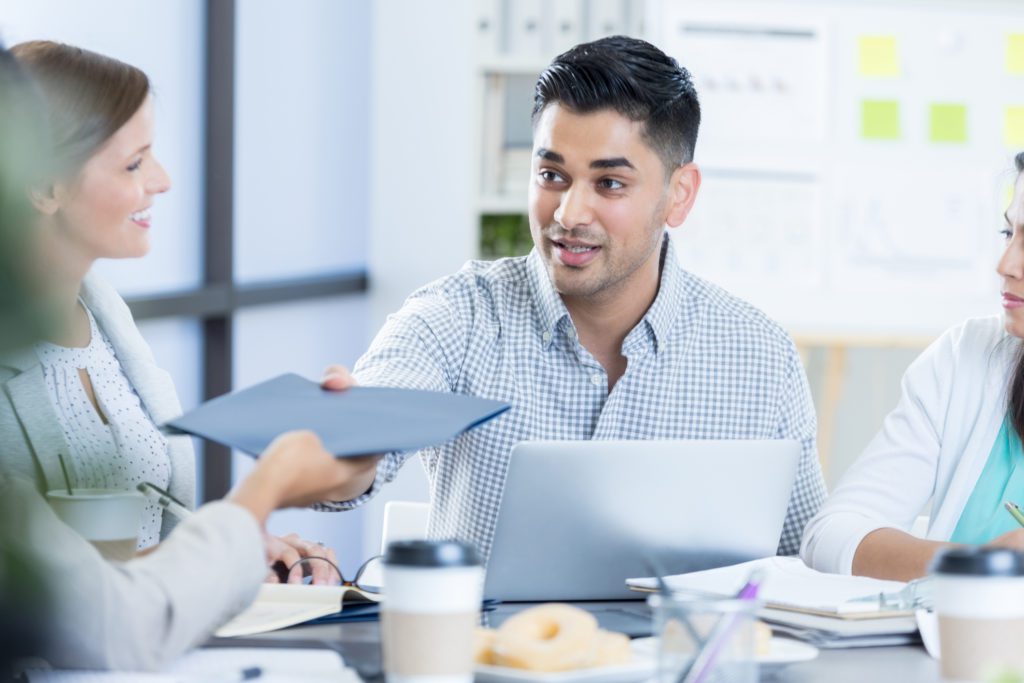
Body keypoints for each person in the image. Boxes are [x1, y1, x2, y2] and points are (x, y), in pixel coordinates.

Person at [317, 36, 827, 563]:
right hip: (489, 647)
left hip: (685, 646)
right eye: (552, 176)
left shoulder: (760, 356)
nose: (569, 214)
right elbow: (360, 449)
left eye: (608, 183)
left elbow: (805, 560)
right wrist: (341, 447)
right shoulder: (457, 317)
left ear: (680, 194)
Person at [0, 44, 369, 673]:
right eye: (134, 163)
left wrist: (241, 554)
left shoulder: (102, 310)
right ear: (43, 186)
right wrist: (262, 492)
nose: (163, 180)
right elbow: (89, 616)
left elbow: (137, 529)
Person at [801, 152, 1024, 581]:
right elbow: (830, 534)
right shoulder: (965, 357)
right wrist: (976, 566)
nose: (1006, 265)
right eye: (1007, 232)